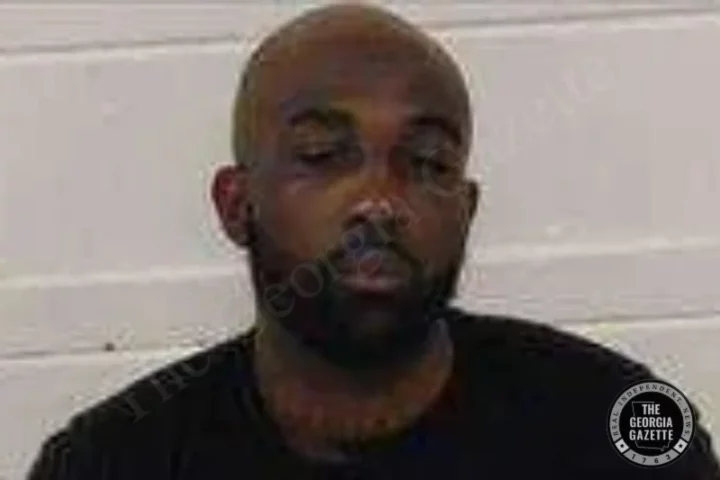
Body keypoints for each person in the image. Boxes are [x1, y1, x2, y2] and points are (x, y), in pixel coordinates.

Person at [27, 3, 719, 479]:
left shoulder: (611, 428)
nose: (380, 202)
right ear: (236, 205)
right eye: (324, 155)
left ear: (467, 210)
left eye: (428, 163)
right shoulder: (113, 461)